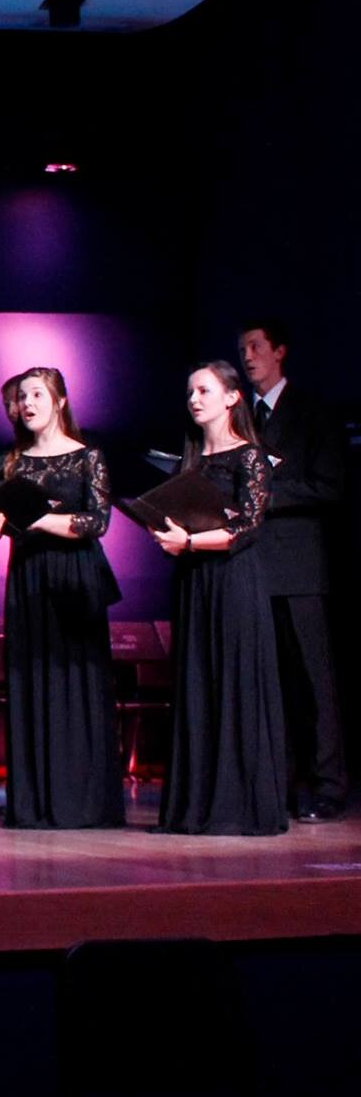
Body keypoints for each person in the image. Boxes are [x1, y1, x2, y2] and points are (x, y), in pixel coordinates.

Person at [0, 368, 123, 829]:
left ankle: (85, 801)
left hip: (76, 577)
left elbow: (97, 522)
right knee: (32, 684)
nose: (27, 402)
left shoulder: (87, 456)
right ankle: (35, 802)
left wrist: (39, 520)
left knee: (78, 684)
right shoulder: (9, 462)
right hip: (29, 577)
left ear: (60, 401)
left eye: (37, 394)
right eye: (21, 396)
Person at [150, 362, 286, 836]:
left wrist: (187, 542)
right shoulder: (190, 462)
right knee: (197, 684)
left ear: (231, 398)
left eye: (204, 390)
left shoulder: (249, 457)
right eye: (190, 391)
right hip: (195, 583)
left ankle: (236, 806)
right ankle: (196, 806)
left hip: (232, 581)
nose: (194, 399)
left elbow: (246, 527)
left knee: (232, 683)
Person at [238, 321, 347, 822]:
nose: (248, 356)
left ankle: (329, 785)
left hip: (300, 567)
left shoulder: (312, 411)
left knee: (314, 681)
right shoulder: (241, 415)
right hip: (253, 565)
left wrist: (264, 498)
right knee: (270, 681)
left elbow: (329, 487)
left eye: (257, 347)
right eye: (243, 349)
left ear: (280, 352)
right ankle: (276, 785)